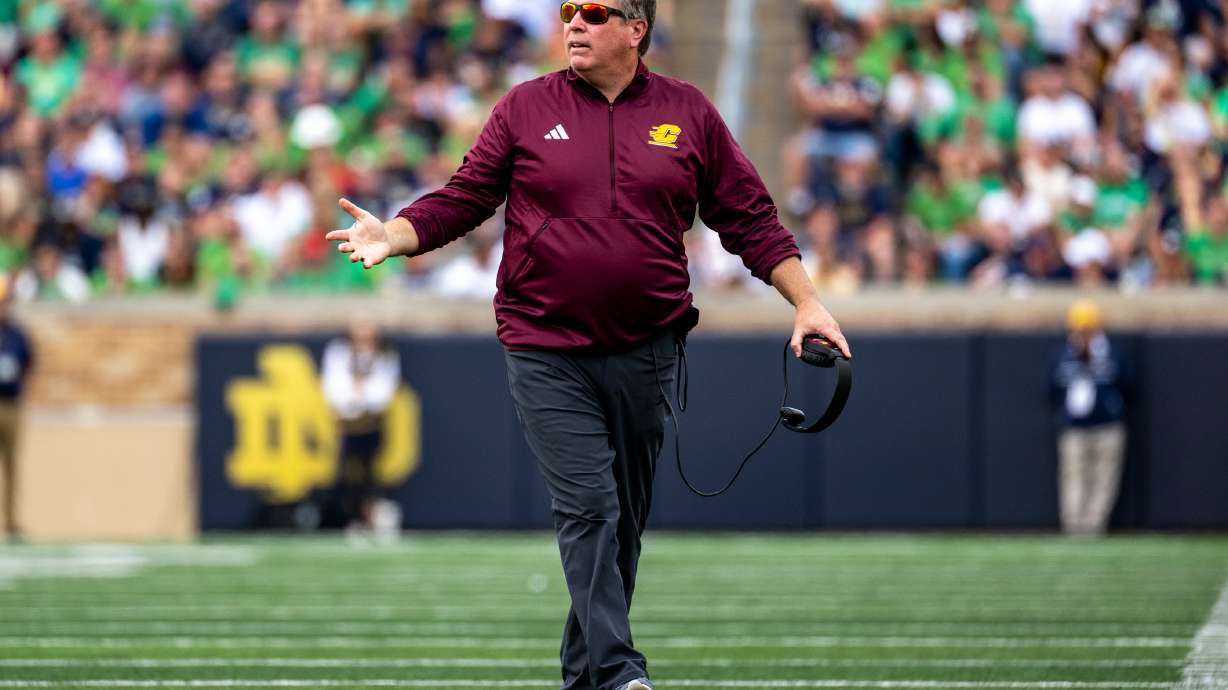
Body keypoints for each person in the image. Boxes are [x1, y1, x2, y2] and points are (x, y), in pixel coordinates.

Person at [326, 3, 850, 689]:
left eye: (594, 12)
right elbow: (466, 196)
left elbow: (749, 217)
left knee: (621, 524)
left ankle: (586, 678)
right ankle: (621, 673)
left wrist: (806, 300)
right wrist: (396, 234)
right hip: (544, 347)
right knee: (589, 508)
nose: (573, 23)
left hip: (648, 348)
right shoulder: (523, 107)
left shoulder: (689, 113)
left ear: (636, 28)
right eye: (569, 10)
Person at [1050, 300, 1127, 537]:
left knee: (1104, 477)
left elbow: (1128, 386)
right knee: (1073, 476)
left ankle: (1095, 525)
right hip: (1075, 427)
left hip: (1107, 426)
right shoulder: (1064, 356)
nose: (1083, 334)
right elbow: (1051, 389)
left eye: (1087, 329)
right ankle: (1074, 525)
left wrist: (1112, 408)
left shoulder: (1111, 354)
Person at [320, 320, 401, 535]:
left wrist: (360, 397)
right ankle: (351, 517)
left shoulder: (384, 356)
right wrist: (353, 400)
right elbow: (334, 389)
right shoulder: (339, 354)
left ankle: (371, 517)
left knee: (371, 473)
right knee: (347, 474)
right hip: (347, 426)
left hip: (372, 424)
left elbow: (382, 394)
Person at [0, 273, 32, 542]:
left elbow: (29, 364)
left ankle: (11, 522)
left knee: (11, 466)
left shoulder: (17, 334)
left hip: (11, 403)